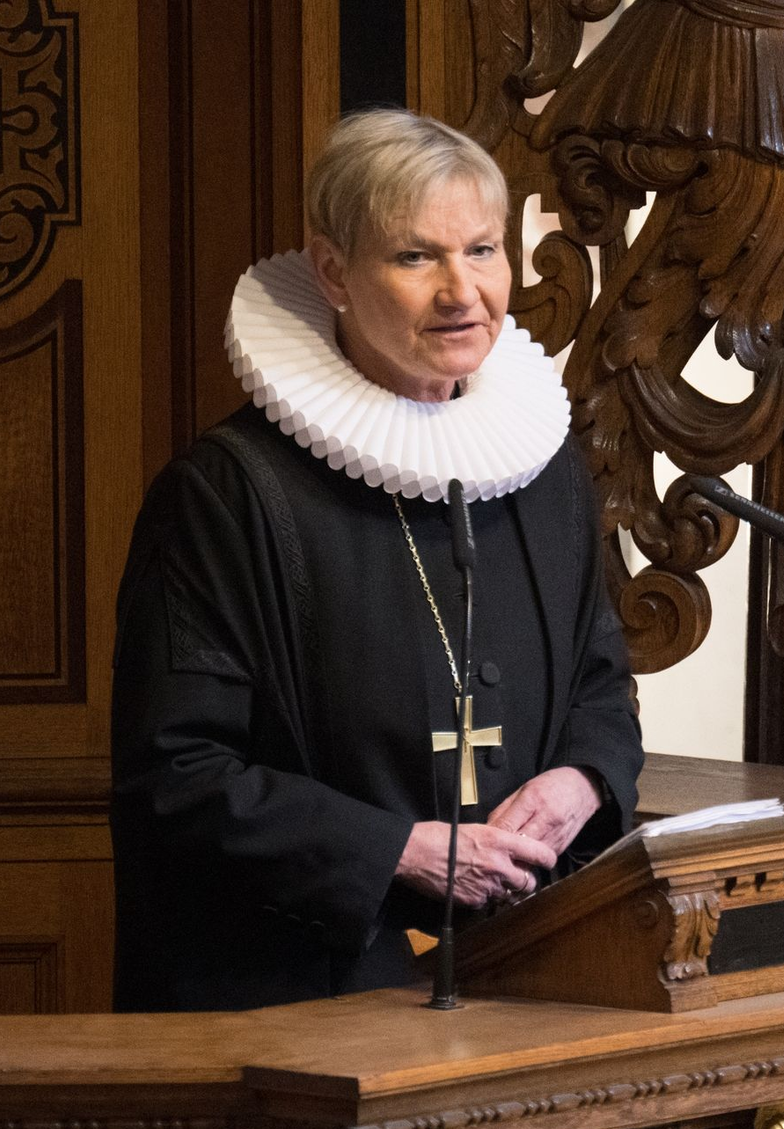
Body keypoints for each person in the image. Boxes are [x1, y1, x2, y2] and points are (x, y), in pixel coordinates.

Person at [109, 110, 643, 1012]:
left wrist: (583, 779)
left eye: (483, 250)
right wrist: (396, 851)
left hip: (531, 975)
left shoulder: (544, 471)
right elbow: (175, 778)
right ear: (333, 273)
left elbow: (601, 684)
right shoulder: (224, 495)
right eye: (415, 256)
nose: (462, 290)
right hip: (306, 1001)